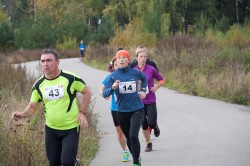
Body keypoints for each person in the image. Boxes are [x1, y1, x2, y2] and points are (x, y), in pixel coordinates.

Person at [11, 49, 91, 166]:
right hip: (51, 129)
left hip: (71, 127)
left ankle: (75, 163)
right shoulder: (38, 85)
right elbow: (32, 106)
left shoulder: (70, 78)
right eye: (43, 61)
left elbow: (87, 92)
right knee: (54, 162)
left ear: (57, 62)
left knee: (67, 161)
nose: (45, 64)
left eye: (49, 60)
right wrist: (22, 114)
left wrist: (82, 112)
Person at [102, 50, 147, 166]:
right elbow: (105, 93)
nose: (121, 60)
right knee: (128, 137)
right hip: (121, 112)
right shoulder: (113, 76)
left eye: (124, 58)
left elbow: (144, 79)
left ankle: (136, 162)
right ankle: (137, 157)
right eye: (119, 58)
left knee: (133, 135)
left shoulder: (135, 73)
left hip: (137, 109)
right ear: (116, 61)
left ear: (128, 60)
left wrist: (142, 90)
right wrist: (112, 87)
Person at [134, 45, 164, 152]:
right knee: (144, 125)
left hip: (150, 100)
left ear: (147, 58)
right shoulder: (133, 71)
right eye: (141, 56)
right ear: (136, 58)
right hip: (139, 103)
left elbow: (161, 80)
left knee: (151, 122)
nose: (143, 58)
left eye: (145, 56)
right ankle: (149, 144)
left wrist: (156, 87)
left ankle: (155, 126)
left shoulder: (151, 69)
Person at [100, 57, 129, 162]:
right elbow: (102, 90)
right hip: (115, 108)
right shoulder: (110, 77)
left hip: (128, 108)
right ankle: (125, 151)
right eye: (115, 65)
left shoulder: (129, 75)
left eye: (118, 64)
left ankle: (133, 147)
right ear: (113, 67)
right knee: (119, 132)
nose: (117, 67)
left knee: (129, 132)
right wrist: (106, 94)